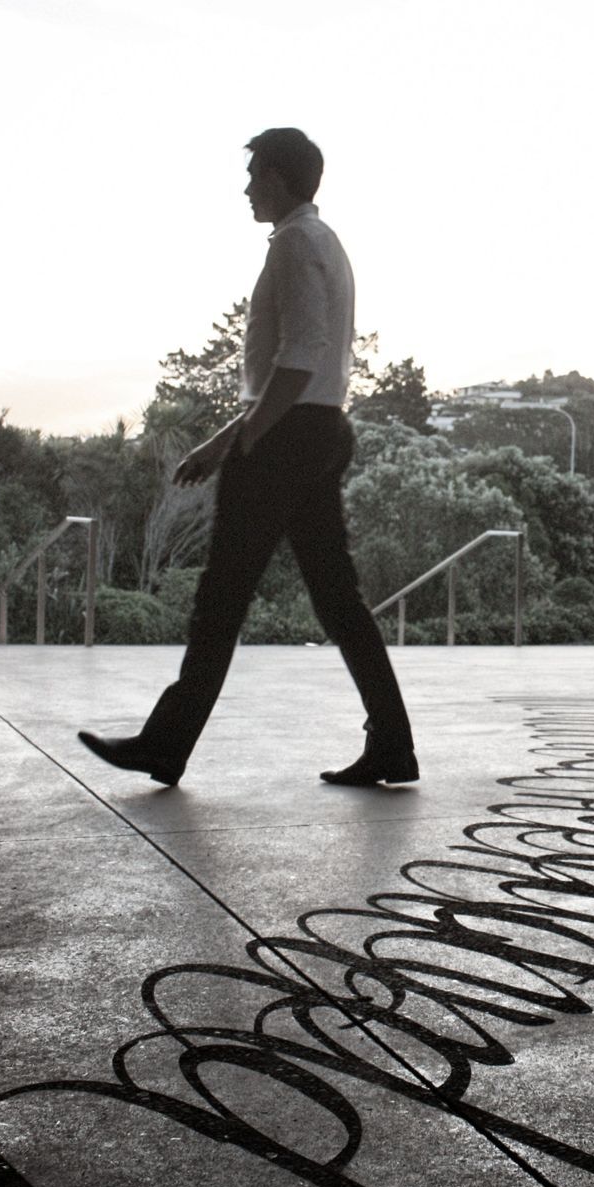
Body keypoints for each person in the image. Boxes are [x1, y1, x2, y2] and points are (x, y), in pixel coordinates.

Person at [78, 126, 418, 789]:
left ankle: (165, 745)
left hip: (287, 438)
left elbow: (301, 355)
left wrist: (249, 438)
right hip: (321, 430)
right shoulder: (324, 241)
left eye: (255, 174)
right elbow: (308, 367)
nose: (246, 187)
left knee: (222, 596)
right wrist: (226, 437)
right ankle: (392, 745)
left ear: (282, 179)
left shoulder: (295, 242)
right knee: (338, 600)